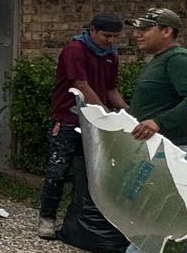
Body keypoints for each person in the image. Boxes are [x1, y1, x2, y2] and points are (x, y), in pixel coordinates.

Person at [88, 6, 187, 253]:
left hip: (171, 149)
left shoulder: (178, 59)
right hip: (164, 147)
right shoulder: (162, 59)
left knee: (151, 206)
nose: (137, 35)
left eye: (144, 29)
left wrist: (158, 122)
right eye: (136, 29)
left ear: (166, 31)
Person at [38, 13, 126, 238]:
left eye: (115, 37)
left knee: (93, 172)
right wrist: (105, 115)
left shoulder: (111, 54)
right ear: (92, 30)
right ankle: (46, 218)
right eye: (107, 36)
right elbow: (81, 86)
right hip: (68, 118)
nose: (110, 41)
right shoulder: (75, 50)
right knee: (58, 169)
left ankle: (79, 220)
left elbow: (110, 90)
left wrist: (128, 114)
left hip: (96, 122)